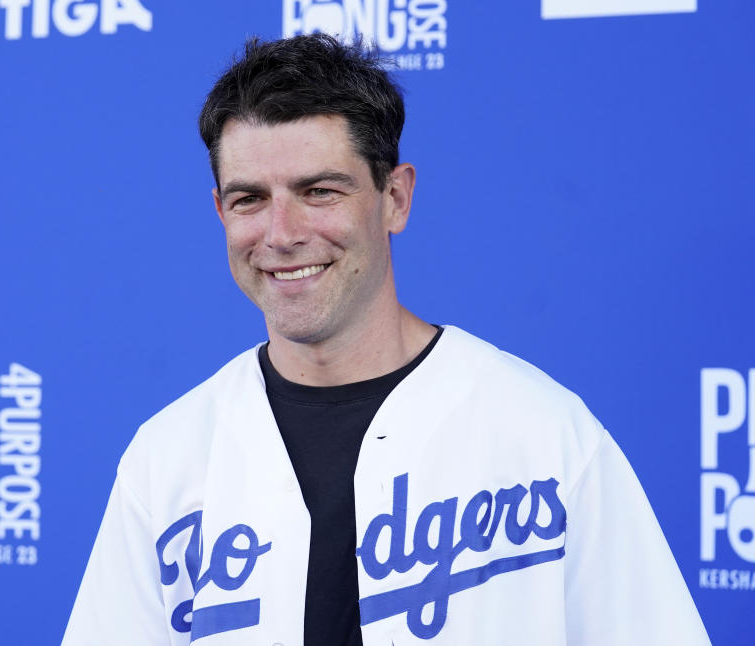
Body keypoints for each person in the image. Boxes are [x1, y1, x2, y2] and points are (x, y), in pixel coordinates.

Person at [62, 34, 710, 645]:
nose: (281, 232)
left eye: (319, 191)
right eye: (249, 199)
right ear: (220, 213)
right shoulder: (166, 458)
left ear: (394, 197)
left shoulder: (545, 432)